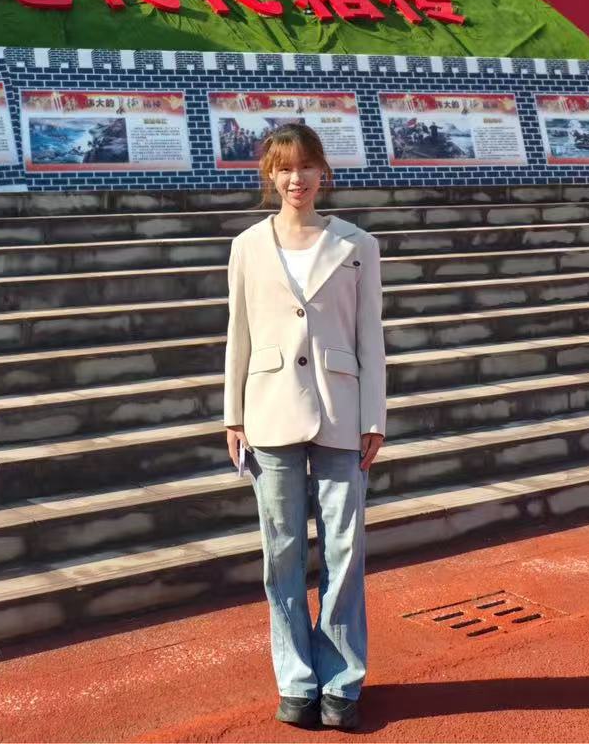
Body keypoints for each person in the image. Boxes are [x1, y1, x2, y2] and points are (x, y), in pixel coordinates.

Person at [223, 122, 387, 731]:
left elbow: (370, 336)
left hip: (342, 410)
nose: (297, 178)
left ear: (324, 173)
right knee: (282, 552)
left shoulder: (357, 244)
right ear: (270, 175)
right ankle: (295, 680)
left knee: (345, 550)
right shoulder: (247, 246)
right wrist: (233, 415)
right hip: (268, 410)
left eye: (306, 166)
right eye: (285, 168)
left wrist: (374, 416)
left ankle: (342, 680)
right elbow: (238, 333)